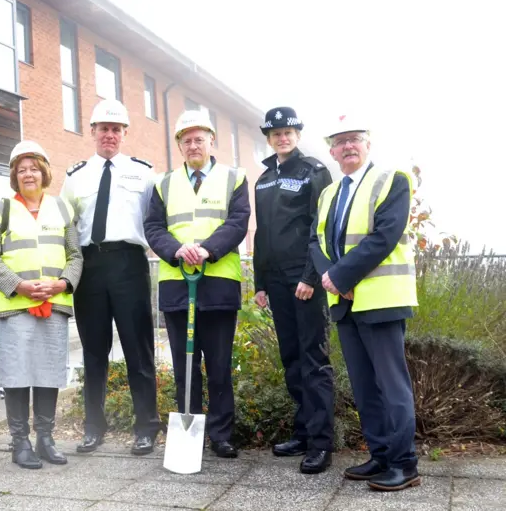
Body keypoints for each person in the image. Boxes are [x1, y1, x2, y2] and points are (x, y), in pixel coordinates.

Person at [309, 115, 420, 491]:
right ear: (331, 151)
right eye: (340, 141)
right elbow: (315, 241)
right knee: (364, 387)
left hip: (381, 300)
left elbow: (385, 235)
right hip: (345, 304)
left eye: (355, 138)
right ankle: (381, 455)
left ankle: (405, 465)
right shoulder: (328, 194)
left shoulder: (392, 180)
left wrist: (340, 277)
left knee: (392, 385)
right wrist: (332, 278)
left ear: (368, 144)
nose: (348, 146)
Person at [144, 110, 250, 458]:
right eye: (186, 140)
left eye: (199, 138)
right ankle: (190, 435)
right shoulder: (164, 183)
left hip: (218, 284)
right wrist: (178, 250)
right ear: (179, 144)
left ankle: (220, 435)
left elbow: (238, 222)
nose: (193, 145)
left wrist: (207, 249)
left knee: (219, 365)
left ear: (211, 140)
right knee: (184, 365)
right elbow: (154, 228)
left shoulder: (234, 178)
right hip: (178, 286)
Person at [60, 99, 160, 456]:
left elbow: (156, 221)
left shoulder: (144, 173)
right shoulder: (75, 176)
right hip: (90, 267)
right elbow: (66, 227)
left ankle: (146, 427)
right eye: (103, 128)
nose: (110, 135)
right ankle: (93, 427)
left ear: (124, 134)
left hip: (130, 264)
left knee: (138, 349)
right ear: (92, 132)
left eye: (116, 129)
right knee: (94, 352)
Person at [0, 140, 83, 469]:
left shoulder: (63, 209)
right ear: (14, 175)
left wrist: (63, 283)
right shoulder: (0, 210)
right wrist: (20, 285)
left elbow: (75, 256)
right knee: (16, 373)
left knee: (48, 371)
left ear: (44, 172)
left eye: (34, 168)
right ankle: (20, 442)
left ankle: (46, 439)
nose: (28, 174)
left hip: (54, 304)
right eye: (21, 169)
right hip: (15, 306)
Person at [254, 107, 334, 474]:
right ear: (268, 138)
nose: (282, 138)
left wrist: (310, 276)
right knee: (291, 358)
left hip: (304, 280)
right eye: (275, 133)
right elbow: (262, 233)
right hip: (276, 281)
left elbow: (321, 226)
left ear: (298, 134)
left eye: (288, 132)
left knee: (313, 360)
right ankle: (303, 432)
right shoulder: (264, 179)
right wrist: (259, 283)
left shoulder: (314, 171)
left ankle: (321, 443)